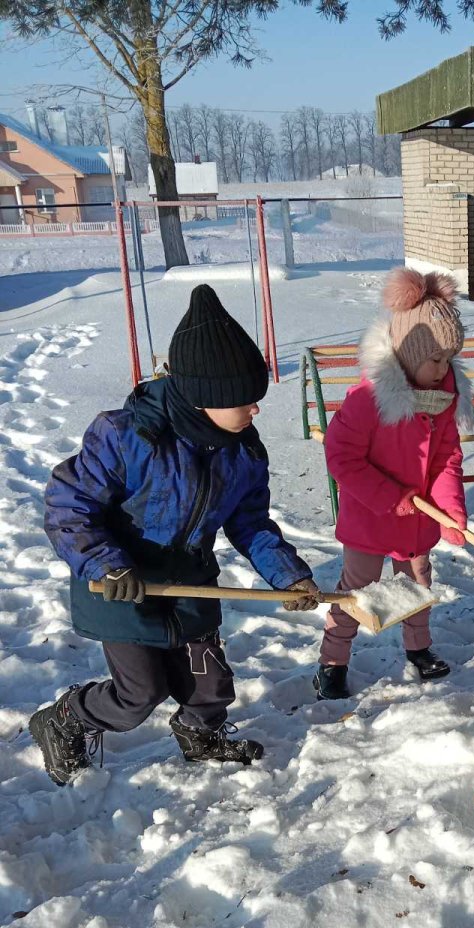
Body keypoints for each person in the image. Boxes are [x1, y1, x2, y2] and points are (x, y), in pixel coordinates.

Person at [30, 284, 319, 786]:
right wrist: (103, 562)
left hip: (189, 580)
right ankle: (66, 719)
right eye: (246, 400)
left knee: (209, 682)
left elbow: (250, 524)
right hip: (122, 583)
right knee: (136, 695)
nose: (255, 411)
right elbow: (68, 504)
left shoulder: (243, 452)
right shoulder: (128, 436)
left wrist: (287, 576)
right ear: (207, 398)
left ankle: (200, 732)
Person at [315, 267, 472, 700]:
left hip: (418, 518)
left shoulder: (444, 400)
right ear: (406, 353)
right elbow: (341, 456)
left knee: (418, 581)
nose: (443, 370)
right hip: (371, 513)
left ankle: (419, 649)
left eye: (448, 359)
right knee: (356, 587)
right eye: (435, 359)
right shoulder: (369, 400)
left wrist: (450, 509)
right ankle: (333, 660)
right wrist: (391, 497)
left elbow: (446, 459)